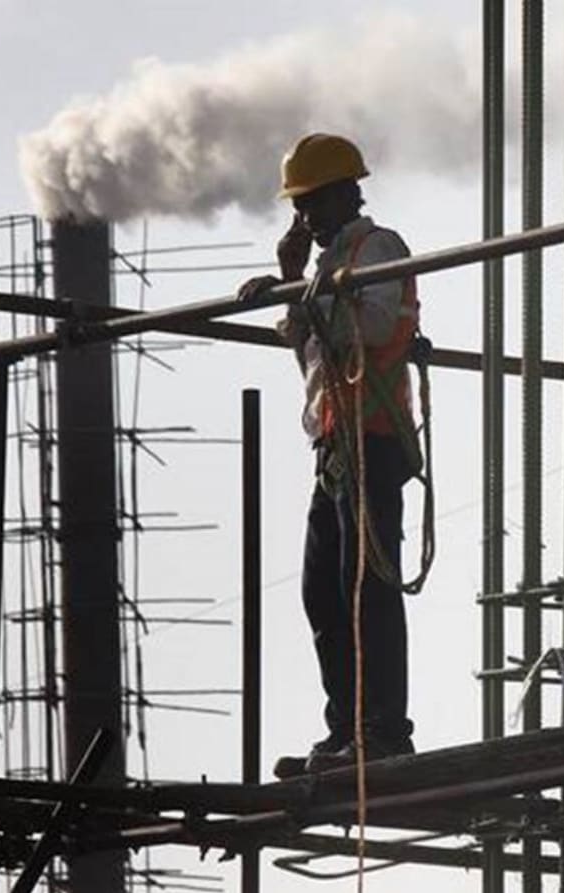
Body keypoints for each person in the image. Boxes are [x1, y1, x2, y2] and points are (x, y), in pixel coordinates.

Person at [236, 134, 419, 777]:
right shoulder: (321, 270)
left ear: (347, 194)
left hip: (374, 441)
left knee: (367, 587)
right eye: (301, 206)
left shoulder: (379, 249)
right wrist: (293, 285)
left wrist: (299, 295)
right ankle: (346, 730)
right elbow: (311, 357)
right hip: (336, 445)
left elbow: (365, 331)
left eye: (314, 204)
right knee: (324, 592)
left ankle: (384, 733)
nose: (305, 219)